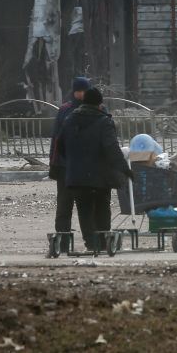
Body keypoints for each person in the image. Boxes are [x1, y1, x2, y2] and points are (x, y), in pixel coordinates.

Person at [57, 87, 132, 252]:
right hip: (100, 176)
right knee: (102, 208)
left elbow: (60, 146)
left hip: (76, 176)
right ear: (100, 103)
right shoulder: (104, 121)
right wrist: (125, 169)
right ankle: (103, 242)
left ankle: (91, 244)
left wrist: (73, 160)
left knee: (84, 210)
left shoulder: (70, 119)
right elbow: (112, 148)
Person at [48, 77, 90, 235]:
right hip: (65, 167)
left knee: (85, 206)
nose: (81, 94)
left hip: (86, 168)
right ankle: (63, 238)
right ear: (74, 92)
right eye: (79, 91)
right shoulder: (64, 110)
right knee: (64, 205)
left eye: (84, 91)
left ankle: (89, 239)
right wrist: (53, 164)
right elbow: (56, 139)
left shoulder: (96, 108)